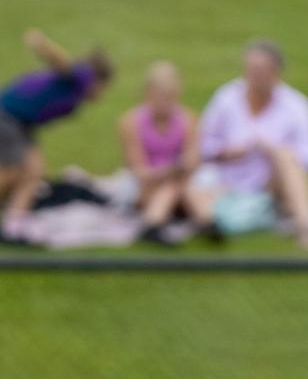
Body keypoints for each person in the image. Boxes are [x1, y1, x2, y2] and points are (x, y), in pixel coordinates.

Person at [196, 39, 308, 249]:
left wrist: (272, 150)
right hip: (227, 179)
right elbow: (202, 143)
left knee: (286, 157)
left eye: (261, 70)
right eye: (250, 69)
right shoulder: (226, 98)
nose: (254, 76)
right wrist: (228, 152)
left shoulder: (296, 106)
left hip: (271, 181)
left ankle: (306, 228)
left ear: (276, 72)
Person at [0, 29, 113, 239]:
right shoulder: (83, 77)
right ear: (98, 81)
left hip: (23, 124)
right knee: (11, 172)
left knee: (34, 170)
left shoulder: (76, 89)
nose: (101, 96)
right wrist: (42, 45)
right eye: (103, 89)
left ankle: (13, 226)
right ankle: (12, 222)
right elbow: (62, 63)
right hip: (8, 117)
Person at [118, 60, 207, 244]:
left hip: (178, 186)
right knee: (172, 185)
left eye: (171, 97)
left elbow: (193, 160)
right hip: (145, 187)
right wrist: (169, 171)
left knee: (176, 185)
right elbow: (139, 171)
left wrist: (180, 168)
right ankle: (205, 220)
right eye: (162, 97)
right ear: (148, 95)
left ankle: (154, 222)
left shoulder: (188, 119)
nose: (167, 103)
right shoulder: (131, 122)